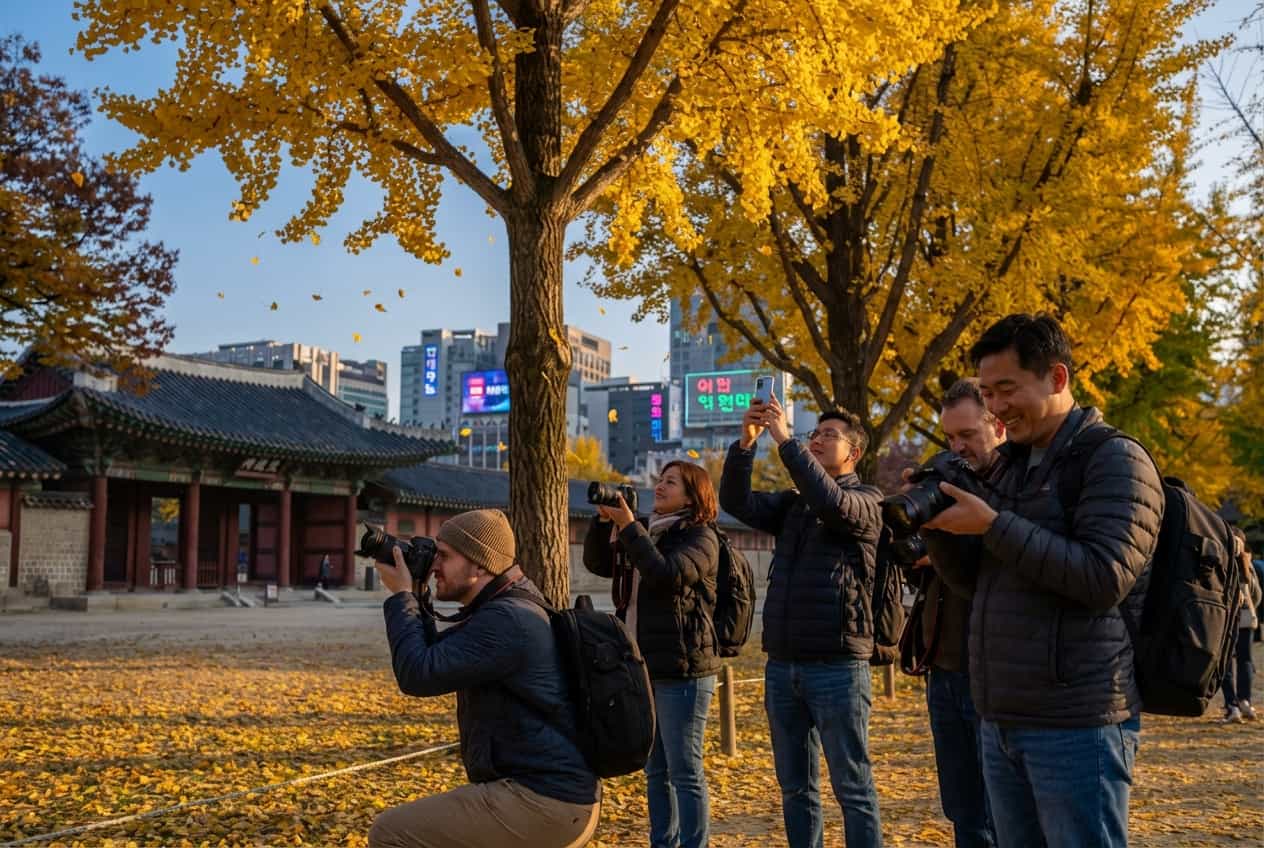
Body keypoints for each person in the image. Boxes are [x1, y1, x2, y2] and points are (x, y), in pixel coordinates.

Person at [923, 313, 1165, 848]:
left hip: (1078, 722)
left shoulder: (1115, 459)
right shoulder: (1008, 466)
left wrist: (993, 525)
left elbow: (1103, 577)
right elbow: (976, 585)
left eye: (1007, 389)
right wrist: (939, 531)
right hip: (1000, 716)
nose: (997, 406)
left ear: (1057, 378)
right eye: (989, 393)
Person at [367, 509, 601, 848]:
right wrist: (416, 594)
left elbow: (417, 674)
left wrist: (402, 596)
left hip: (545, 799)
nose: (433, 565)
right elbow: (435, 656)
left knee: (390, 832)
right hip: (554, 793)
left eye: (444, 556)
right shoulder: (509, 606)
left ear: (479, 565)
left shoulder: (508, 620)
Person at [720, 395, 885, 848]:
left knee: (853, 788)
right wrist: (746, 444)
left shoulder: (866, 501)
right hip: (783, 665)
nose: (817, 440)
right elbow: (736, 501)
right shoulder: (795, 506)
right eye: (815, 434)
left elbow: (833, 504)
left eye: (829, 435)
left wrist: (785, 440)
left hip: (838, 666)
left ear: (853, 453)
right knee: (795, 787)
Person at [583, 461, 721, 848]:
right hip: (642, 667)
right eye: (660, 480)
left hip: (684, 668)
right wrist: (604, 523)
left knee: (685, 770)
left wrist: (630, 527)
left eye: (671, 482)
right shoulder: (647, 530)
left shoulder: (700, 537)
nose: (659, 486)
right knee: (655, 769)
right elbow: (598, 564)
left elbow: (666, 576)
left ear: (692, 496)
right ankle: (663, 842)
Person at [917, 379, 1002, 848]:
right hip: (944, 666)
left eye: (968, 434)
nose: (958, 448)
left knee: (1002, 812)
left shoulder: (1016, 491)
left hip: (993, 673)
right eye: (950, 437)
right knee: (963, 810)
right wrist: (926, 526)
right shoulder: (946, 485)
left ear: (999, 426)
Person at [1220, 528, 1262, 723]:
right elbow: (1257, 594)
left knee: (1225, 663)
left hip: (1225, 619)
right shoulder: (1249, 564)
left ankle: (1232, 706)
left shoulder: (1222, 559)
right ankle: (1245, 701)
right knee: (1245, 660)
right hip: (1246, 618)